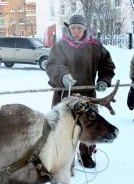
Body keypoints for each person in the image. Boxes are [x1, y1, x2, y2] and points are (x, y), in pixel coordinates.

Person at [45, 14, 116, 168]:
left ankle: (85, 154)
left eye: (79, 28)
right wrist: (62, 76)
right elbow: (52, 65)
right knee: (63, 128)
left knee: (88, 127)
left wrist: (104, 80)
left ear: (85, 29)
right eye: (73, 28)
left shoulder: (95, 46)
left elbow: (107, 65)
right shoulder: (60, 46)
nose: (76, 31)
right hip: (65, 95)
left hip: (87, 95)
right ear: (68, 29)